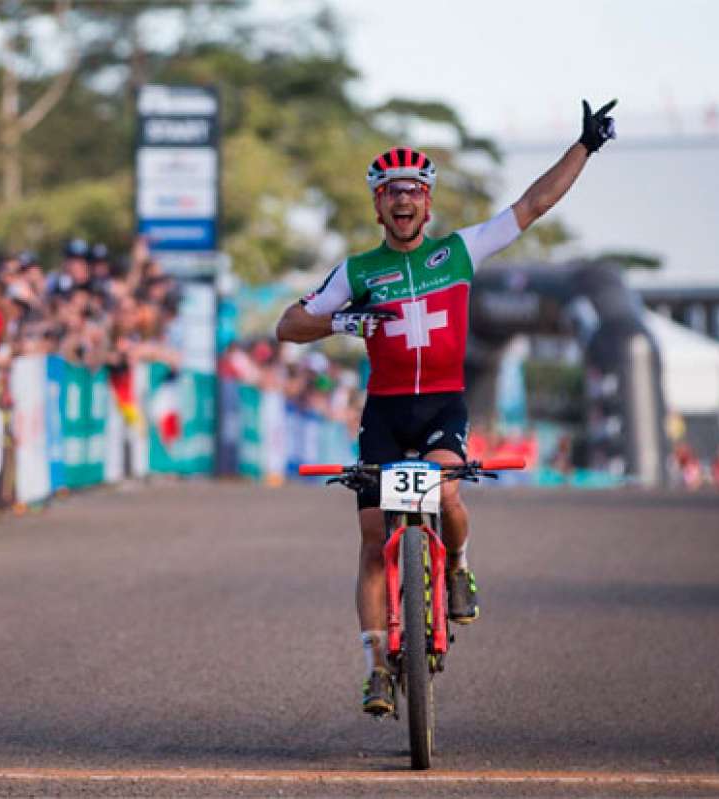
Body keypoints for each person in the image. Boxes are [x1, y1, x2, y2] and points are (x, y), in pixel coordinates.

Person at [275, 99, 618, 716]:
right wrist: (341, 320)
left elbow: (534, 204)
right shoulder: (357, 271)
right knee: (372, 533)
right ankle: (377, 664)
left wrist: (584, 148)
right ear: (376, 204)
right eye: (389, 192)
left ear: (427, 203)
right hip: (383, 412)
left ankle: (457, 562)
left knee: (447, 493)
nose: (402, 201)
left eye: (413, 191)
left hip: (439, 406)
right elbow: (288, 325)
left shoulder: (461, 250)